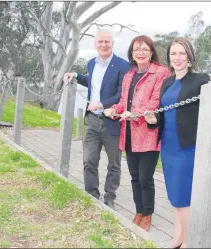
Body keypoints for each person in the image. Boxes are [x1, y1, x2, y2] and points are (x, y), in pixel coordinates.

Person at [145, 37, 211, 248]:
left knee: (182, 197)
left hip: (186, 148)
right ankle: (178, 237)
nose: (177, 57)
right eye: (173, 53)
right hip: (167, 146)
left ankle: (189, 242)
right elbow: (164, 115)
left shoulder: (201, 80)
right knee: (175, 195)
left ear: (190, 57)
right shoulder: (167, 82)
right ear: (169, 58)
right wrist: (153, 120)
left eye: (182, 53)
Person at [103, 35, 170, 232]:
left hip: (148, 134)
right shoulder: (129, 75)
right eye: (136, 49)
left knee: (145, 178)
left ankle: (148, 214)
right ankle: (139, 211)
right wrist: (114, 109)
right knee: (133, 177)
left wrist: (136, 114)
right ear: (132, 53)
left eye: (144, 49)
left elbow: (156, 101)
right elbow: (124, 101)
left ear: (151, 52)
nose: (140, 53)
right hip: (129, 134)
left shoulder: (161, 73)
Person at [62, 30, 130, 209]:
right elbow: (92, 82)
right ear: (95, 44)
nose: (103, 45)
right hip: (92, 121)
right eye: (100, 42)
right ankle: (92, 194)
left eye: (107, 41)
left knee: (113, 163)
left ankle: (109, 196)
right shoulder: (92, 63)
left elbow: (121, 94)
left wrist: (101, 104)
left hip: (112, 122)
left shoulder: (123, 66)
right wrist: (75, 75)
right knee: (89, 160)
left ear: (112, 44)